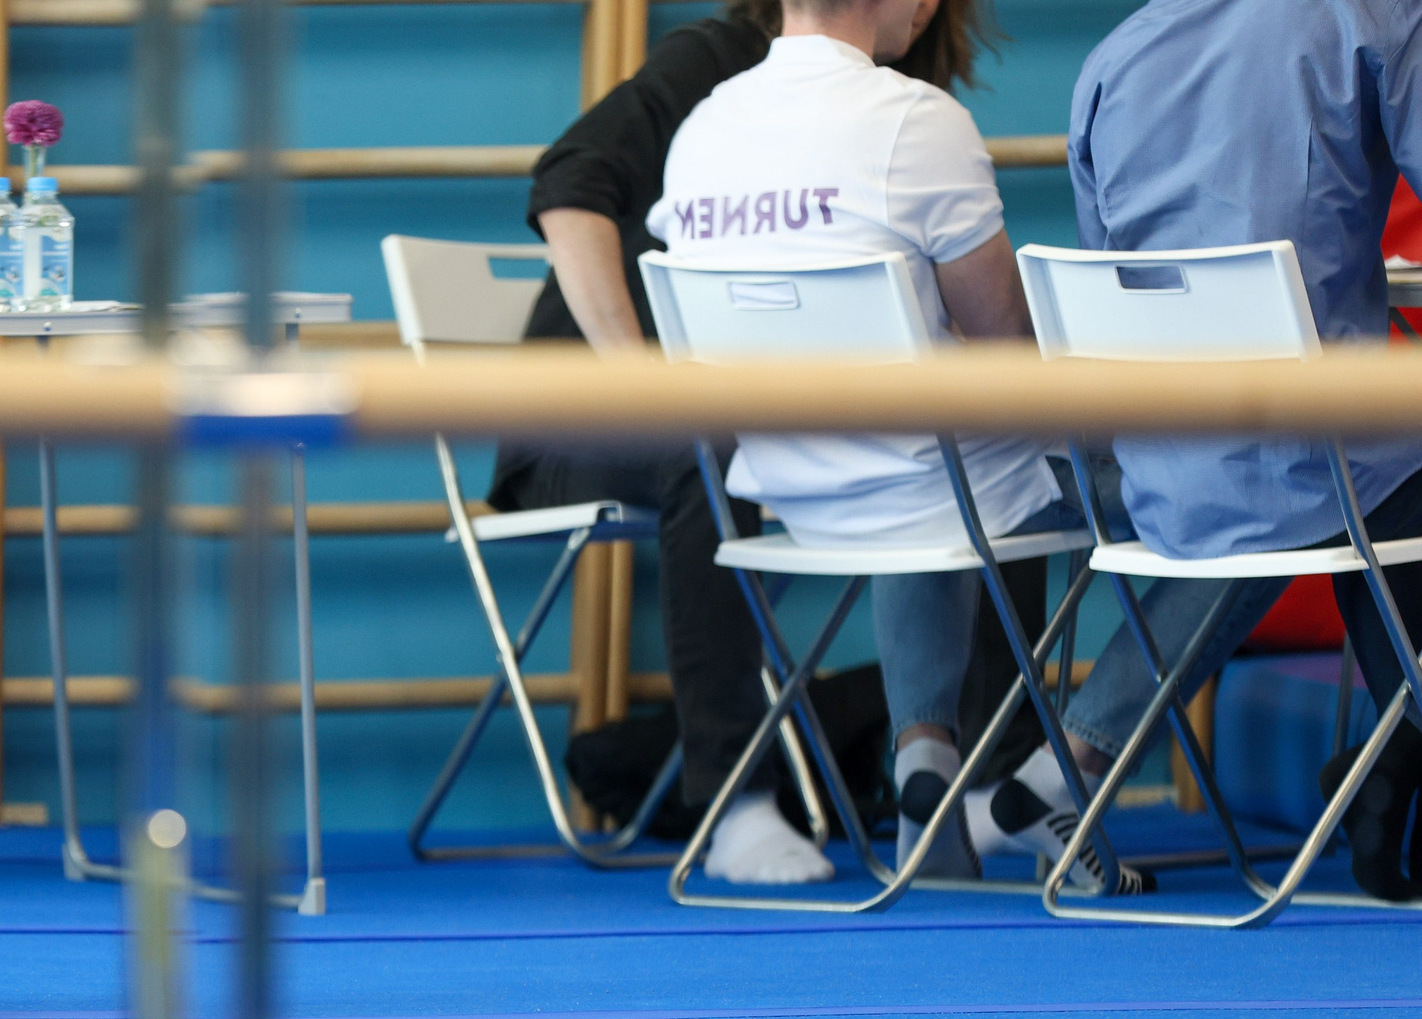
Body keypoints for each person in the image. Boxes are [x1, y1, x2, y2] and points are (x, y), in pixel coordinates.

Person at [497, 0, 1038, 886]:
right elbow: (569, 182)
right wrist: (640, 379)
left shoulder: (889, 105)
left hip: (775, 408)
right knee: (702, 438)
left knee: (982, 435)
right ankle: (733, 800)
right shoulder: (718, 70)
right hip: (594, 411)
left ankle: (979, 767)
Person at [975, 0, 1422, 900]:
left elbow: (1105, 269)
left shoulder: (1113, 58)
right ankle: (1397, 756)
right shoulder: (1369, 18)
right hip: (1308, 462)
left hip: (1154, 466)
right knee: (1382, 472)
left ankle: (1391, 764)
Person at [645, 0, 1098, 885]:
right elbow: (1006, 341)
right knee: (1207, 482)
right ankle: (1071, 759)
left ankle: (926, 752)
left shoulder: (701, 130)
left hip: (787, 492)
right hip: (925, 481)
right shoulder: (917, 120)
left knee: (936, 462)